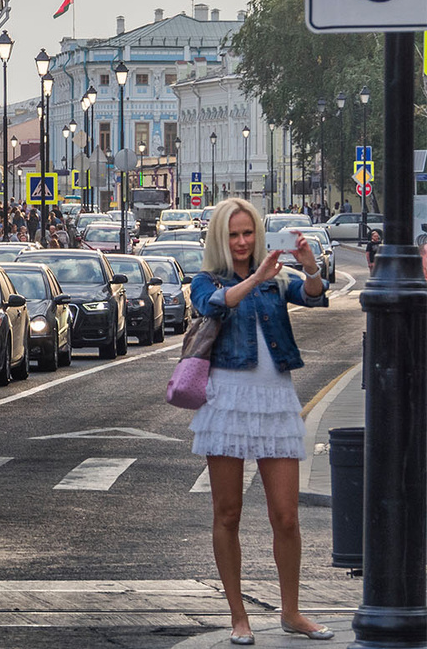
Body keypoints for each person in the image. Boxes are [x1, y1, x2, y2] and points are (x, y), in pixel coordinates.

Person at [188, 198, 332, 645]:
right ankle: (239, 617)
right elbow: (214, 305)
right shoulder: (206, 279)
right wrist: (255, 277)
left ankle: (291, 612)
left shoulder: (275, 279)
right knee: (227, 513)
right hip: (227, 400)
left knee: (286, 517)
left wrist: (310, 268)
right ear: (220, 238)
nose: (243, 241)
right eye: (233, 235)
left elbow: (314, 297)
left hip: (275, 401)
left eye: (248, 233)